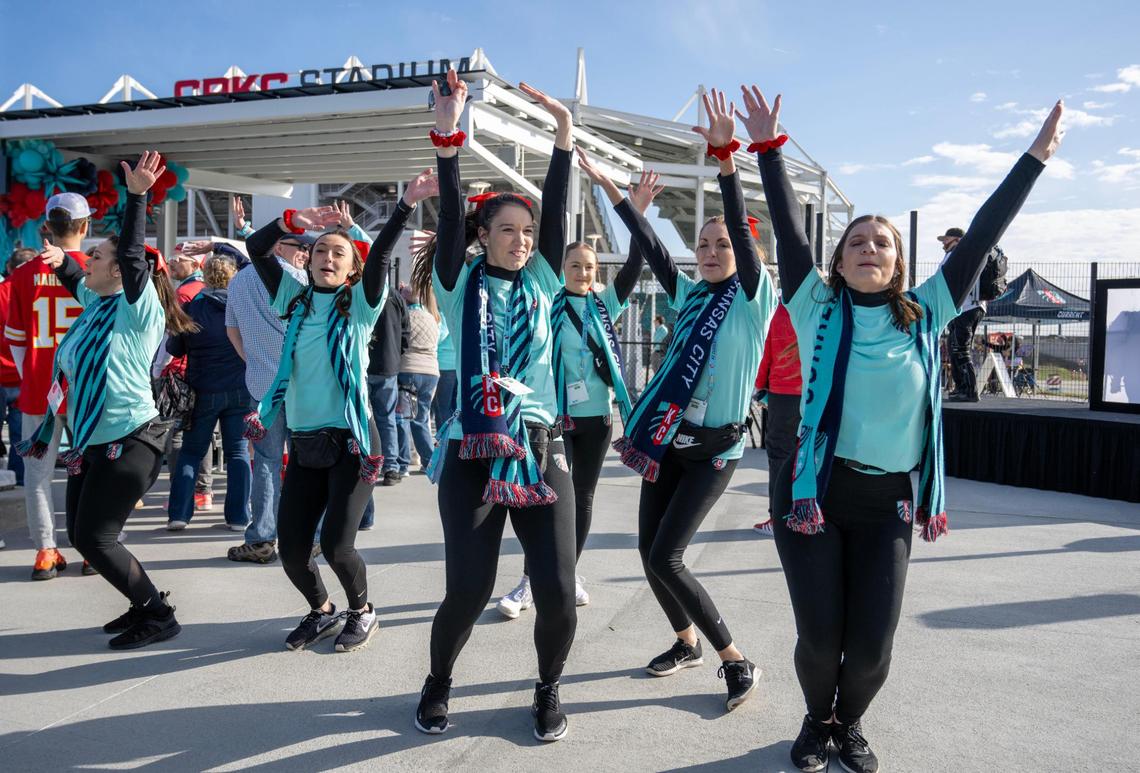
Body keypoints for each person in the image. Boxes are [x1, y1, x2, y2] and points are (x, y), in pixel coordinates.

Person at [742, 83, 1064, 772]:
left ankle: (848, 721)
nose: (868, 247)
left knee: (873, 649)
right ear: (838, 261)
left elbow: (982, 234)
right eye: (856, 240)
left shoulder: (926, 310)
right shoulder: (814, 304)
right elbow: (787, 232)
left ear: (897, 263)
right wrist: (767, 149)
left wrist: (1033, 158)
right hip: (814, 497)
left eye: (881, 242)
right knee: (821, 640)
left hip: (888, 499)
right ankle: (815, 720)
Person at [581, 88, 776, 714]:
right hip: (667, 443)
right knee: (648, 555)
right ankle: (686, 641)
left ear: (749, 256)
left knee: (668, 555)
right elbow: (654, 246)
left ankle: (734, 658)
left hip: (715, 451)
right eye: (706, 243)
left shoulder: (752, 300)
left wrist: (726, 165)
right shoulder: (690, 293)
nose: (712, 250)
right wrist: (619, 196)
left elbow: (744, 246)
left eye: (724, 243)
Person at [412, 70, 577, 742]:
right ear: (484, 235)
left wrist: (563, 136)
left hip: (539, 448)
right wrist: (452, 141)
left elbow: (559, 209)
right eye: (506, 230)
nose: (521, 239)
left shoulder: (541, 277)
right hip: (472, 452)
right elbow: (449, 217)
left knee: (560, 591)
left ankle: (546, 689)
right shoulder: (458, 282)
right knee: (469, 591)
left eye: (526, 232)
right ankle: (438, 681)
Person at [243, 169, 435, 654]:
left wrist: (405, 206)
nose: (327, 257)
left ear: (352, 268)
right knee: (290, 549)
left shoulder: (360, 304)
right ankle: (322, 610)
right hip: (305, 442)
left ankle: (363, 611)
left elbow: (383, 257)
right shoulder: (295, 301)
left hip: (352, 441)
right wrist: (293, 220)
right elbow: (256, 249)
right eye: (320, 251)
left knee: (337, 545)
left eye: (338, 253)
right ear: (307, 261)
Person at [27, 151, 197, 648]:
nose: (90, 261)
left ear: (122, 272)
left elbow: (127, 254)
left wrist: (138, 196)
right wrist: (62, 261)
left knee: (96, 538)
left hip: (131, 439)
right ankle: (141, 602)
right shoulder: (96, 303)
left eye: (95, 256)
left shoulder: (133, 307)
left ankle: (157, 613)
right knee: (84, 536)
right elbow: (75, 278)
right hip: (93, 441)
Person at [496, 172, 661, 619]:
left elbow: (634, 266)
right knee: (546, 497)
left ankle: (568, 571)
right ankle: (532, 579)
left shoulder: (605, 306)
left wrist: (638, 215)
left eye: (589, 267)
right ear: (561, 270)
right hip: (557, 420)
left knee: (582, 499)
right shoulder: (546, 303)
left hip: (598, 418)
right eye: (574, 266)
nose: (583, 273)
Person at [6, 193, 88, 580]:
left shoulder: (22, 275)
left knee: (37, 475)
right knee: (92, 469)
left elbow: (17, 340)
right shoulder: (98, 268)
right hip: (89, 390)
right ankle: (95, 547)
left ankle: (45, 550)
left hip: (40, 387)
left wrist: (32, 378)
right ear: (85, 226)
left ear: (47, 227)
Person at [224, 228, 312, 562]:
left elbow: (232, 330)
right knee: (308, 462)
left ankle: (262, 537)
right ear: (277, 245)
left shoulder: (239, 280)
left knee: (265, 462)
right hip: (302, 385)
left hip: (262, 387)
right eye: (299, 246)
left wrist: (255, 360)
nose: (305, 252)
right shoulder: (298, 279)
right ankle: (312, 534)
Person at [165, 257, 252, 532]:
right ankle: (238, 517)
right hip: (239, 387)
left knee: (191, 452)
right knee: (237, 452)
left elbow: (175, 348)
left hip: (201, 389)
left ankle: (179, 514)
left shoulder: (192, 308)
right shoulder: (242, 306)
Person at [162, 242, 215, 518]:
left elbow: (170, 339)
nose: (171, 263)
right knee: (203, 437)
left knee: (178, 437)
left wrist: (160, 368)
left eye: (178, 259)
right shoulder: (207, 292)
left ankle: (180, 495)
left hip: (178, 374)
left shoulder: (183, 294)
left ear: (195, 265)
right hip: (204, 373)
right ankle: (202, 492)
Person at [752, 303, 801, 536]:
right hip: (815, 393)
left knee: (780, 457)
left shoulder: (784, 309)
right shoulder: (827, 302)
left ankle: (779, 518)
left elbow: (769, 351)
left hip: (784, 392)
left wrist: (760, 386)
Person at [0, 247, 37, 487]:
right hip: (26, 373)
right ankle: (20, 477)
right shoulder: (36, 292)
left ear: (10, 268)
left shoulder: (3, 291)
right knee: (19, 431)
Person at [366, 289, 409, 486]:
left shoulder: (362, 290)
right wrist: (397, 354)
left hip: (367, 363)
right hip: (388, 364)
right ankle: (391, 466)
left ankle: (369, 461)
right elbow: (406, 331)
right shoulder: (395, 297)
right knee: (387, 418)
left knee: (365, 418)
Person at [939, 227, 987, 402]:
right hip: (968, 307)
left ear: (958, 240)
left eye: (947, 239)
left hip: (966, 307)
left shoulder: (957, 255)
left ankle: (969, 390)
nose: (943, 243)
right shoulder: (960, 255)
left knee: (959, 348)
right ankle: (963, 388)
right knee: (955, 347)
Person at [396, 284, 440, 475]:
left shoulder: (405, 317)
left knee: (404, 417)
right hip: (431, 371)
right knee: (421, 418)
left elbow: (400, 342)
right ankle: (429, 460)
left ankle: (402, 463)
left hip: (409, 369)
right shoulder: (432, 317)